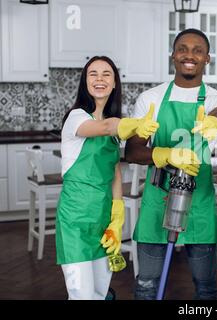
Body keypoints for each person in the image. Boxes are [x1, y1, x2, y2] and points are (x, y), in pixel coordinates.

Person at [125, 28, 217, 300]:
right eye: (183, 49)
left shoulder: (216, 99)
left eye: (198, 50)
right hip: (156, 201)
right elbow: (132, 151)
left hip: (198, 203)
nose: (190, 55)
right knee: (146, 285)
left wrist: (214, 121)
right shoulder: (150, 99)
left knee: (206, 288)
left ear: (207, 58)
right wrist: (164, 155)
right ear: (173, 55)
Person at [56, 56, 159, 300]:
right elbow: (104, 128)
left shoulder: (114, 132)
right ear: (85, 82)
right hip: (76, 220)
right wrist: (131, 125)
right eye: (93, 74)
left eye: (106, 74)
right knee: (81, 294)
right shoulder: (77, 118)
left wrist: (117, 212)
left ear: (114, 83)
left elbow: (114, 169)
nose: (99, 79)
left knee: (101, 292)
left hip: (103, 220)